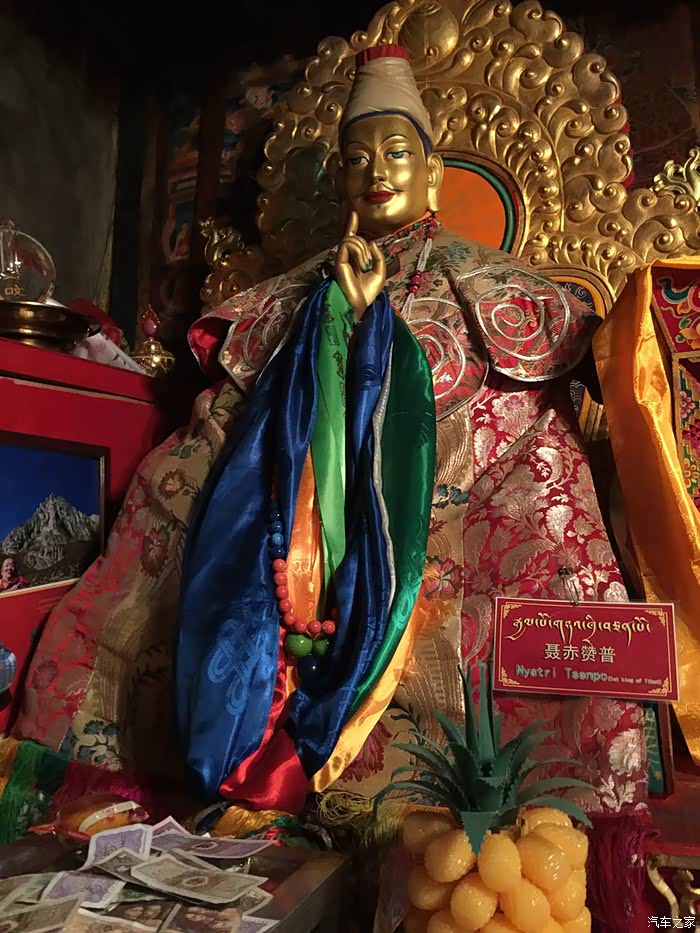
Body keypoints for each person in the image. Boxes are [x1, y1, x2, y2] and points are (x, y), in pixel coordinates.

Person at [15, 45, 645, 826]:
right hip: (292, 537)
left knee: (536, 473)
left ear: (433, 174)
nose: (376, 170)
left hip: (436, 539)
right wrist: (335, 323)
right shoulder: (293, 297)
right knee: (178, 485)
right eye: (356, 158)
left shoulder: (492, 293)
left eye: (396, 151)